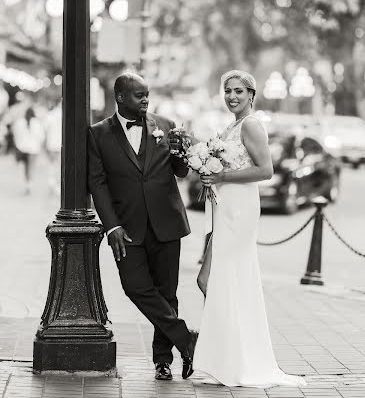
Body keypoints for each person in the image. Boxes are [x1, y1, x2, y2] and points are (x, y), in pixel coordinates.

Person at [193, 70, 307, 389]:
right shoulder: (230, 126)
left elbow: (265, 170)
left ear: (251, 95)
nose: (232, 96)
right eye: (227, 90)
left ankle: (235, 363)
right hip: (225, 206)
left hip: (240, 210)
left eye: (239, 91)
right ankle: (226, 360)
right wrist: (209, 172)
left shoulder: (252, 124)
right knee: (222, 281)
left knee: (224, 278)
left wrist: (221, 177)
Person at [87, 73, 197, 382]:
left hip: (167, 222)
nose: (145, 100)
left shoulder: (165, 124)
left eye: (147, 94)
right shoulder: (98, 134)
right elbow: (97, 183)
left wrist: (182, 152)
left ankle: (163, 361)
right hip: (127, 228)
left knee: (167, 293)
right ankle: (186, 339)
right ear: (120, 97)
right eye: (139, 95)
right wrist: (111, 227)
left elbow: (181, 171)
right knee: (135, 287)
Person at [12, 105, 45, 195]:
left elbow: (15, 134)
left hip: (22, 148)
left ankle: (27, 183)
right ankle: (29, 184)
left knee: (26, 167)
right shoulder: (37, 123)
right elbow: (41, 136)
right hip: (34, 149)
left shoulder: (20, 122)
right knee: (31, 167)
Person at [44, 101, 62, 195]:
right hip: (61, 144)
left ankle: (51, 182)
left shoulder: (50, 115)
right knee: (59, 165)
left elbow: (45, 129)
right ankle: (57, 185)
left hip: (51, 143)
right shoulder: (64, 116)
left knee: (52, 164)